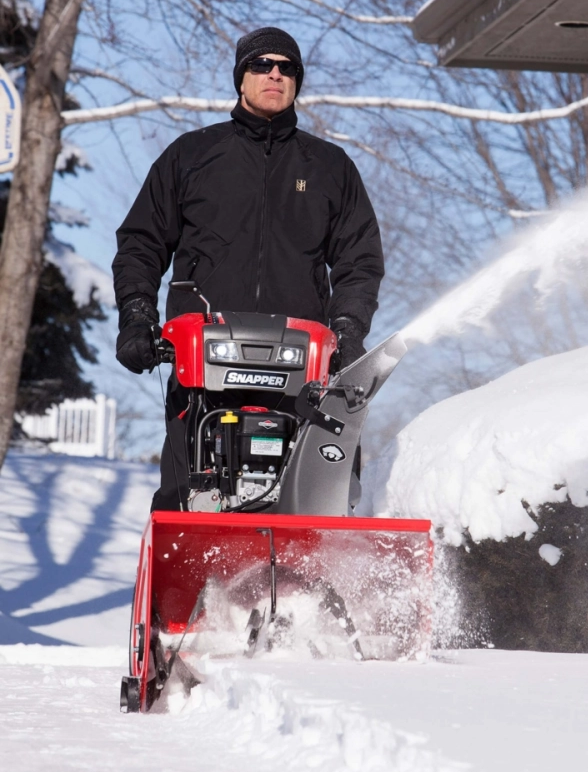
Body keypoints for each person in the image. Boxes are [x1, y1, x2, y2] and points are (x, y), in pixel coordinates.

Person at [112, 26, 384, 510]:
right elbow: (141, 242)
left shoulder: (330, 166)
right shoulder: (191, 156)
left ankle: (325, 582)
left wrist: (347, 328)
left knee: (325, 497)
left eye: (287, 68)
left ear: (297, 82)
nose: (274, 74)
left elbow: (358, 259)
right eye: (262, 65)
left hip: (303, 368)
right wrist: (136, 315)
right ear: (242, 78)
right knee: (183, 500)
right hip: (202, 366)